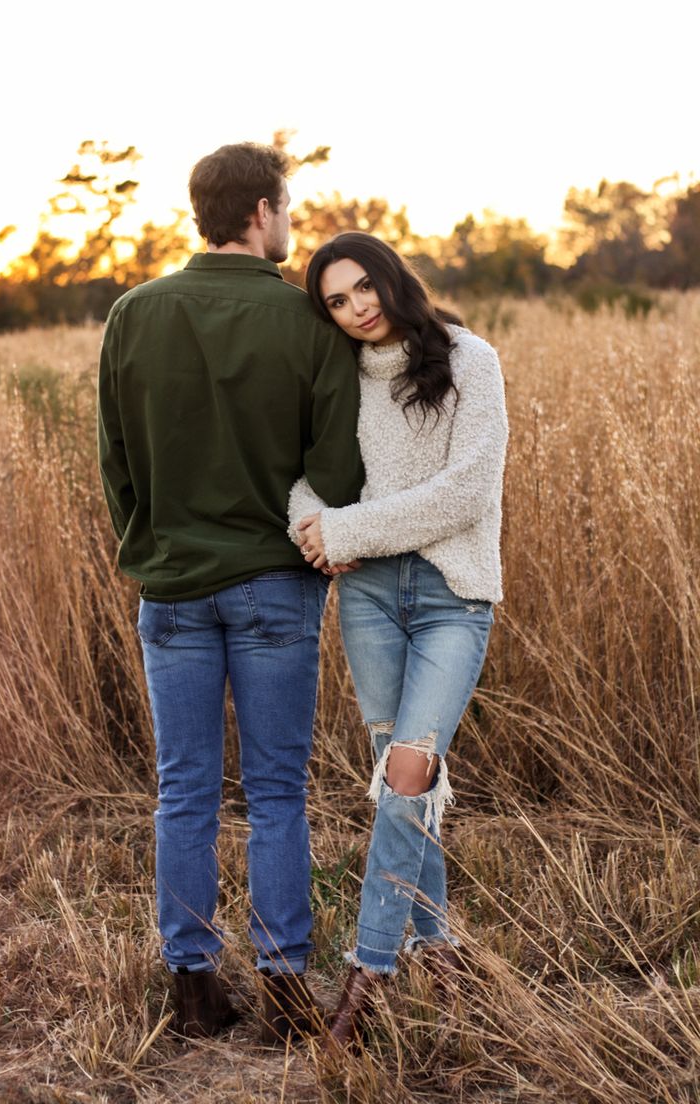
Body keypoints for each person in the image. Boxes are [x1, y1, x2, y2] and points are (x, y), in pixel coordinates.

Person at [97, 144, 364, 1045]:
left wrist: (153, 545)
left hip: (170, 587)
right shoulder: (307, 325)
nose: (291, 223)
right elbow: (332, 472)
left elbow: (117, 466)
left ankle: (194, 988)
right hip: (274, 590)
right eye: (286, 207)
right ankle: (288, 990)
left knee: (184, 791)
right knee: (279, 793)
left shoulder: (132, 315)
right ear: (260, 211)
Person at [288, 231, 508, 1049]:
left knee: (411, 770)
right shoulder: (340, 379)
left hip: (452, 592)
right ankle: (441, 958)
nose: (356, 309)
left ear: (390, 275)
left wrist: (348, 529)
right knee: (400, 790)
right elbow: (307, 476)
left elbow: (466, 491)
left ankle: (367, 974)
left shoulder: (468, 359)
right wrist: (311, 528)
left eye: (362, 288)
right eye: (336, 302)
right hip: (371, 596)